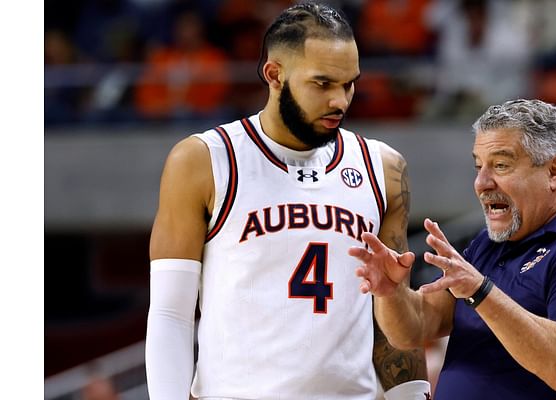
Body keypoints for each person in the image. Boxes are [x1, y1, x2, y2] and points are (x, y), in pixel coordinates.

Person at [145, 3, 429, 399]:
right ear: (274, 75)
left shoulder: (383, 167)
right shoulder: (205, 160)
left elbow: (391, 311)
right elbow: (170, 314)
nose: (340, 102)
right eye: (323, 84)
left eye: (349, 84)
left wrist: (412, 395)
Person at [349, 99, 556, 399]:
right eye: (479, 166)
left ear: (555, 171)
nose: (481, 182)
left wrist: (481, 292)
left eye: (501, 165)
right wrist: (391, 293)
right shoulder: (492, 242)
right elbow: (413, 329)